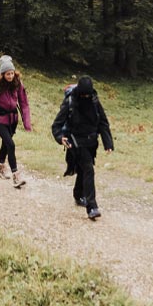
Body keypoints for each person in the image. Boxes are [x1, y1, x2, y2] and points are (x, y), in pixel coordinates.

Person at [51, 75, 113, 221]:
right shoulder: (71, 102)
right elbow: (56, 125)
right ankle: (92, 207)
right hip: (75, 141)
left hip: (91, 141)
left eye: (88, 94)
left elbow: (103, 122)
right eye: (83, 94)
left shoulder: (94, 101)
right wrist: (60, 138)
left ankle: (78, 194)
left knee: (83, 169)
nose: (85, 96)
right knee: (88, 169)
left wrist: (108, 143)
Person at [0, 55, 31, 187]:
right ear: (3, 74)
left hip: (12, 119)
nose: (10, 76)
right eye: (7, 74)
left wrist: (27, 123)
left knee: (6, 144)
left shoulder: (18, 84)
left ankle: (0, 166)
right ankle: (16, 176)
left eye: (12, 73)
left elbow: (24, 103)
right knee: (10, 144)